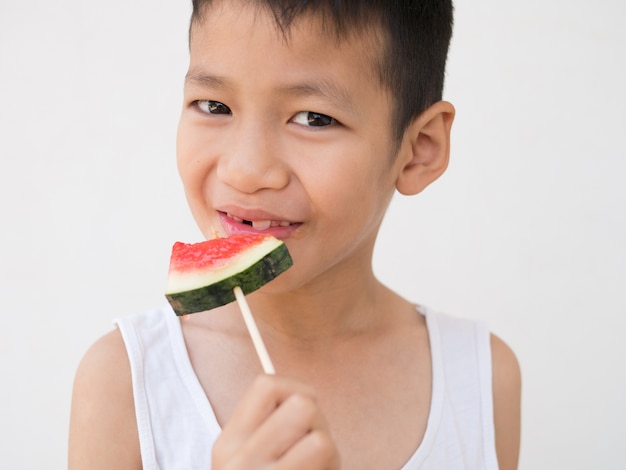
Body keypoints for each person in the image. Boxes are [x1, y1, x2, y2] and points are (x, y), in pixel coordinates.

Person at [68, 0, 521, 468]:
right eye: (214, 106)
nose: (246, 171)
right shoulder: (125, 381)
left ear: (418, 149)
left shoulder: (481, 379)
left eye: (313, 118)